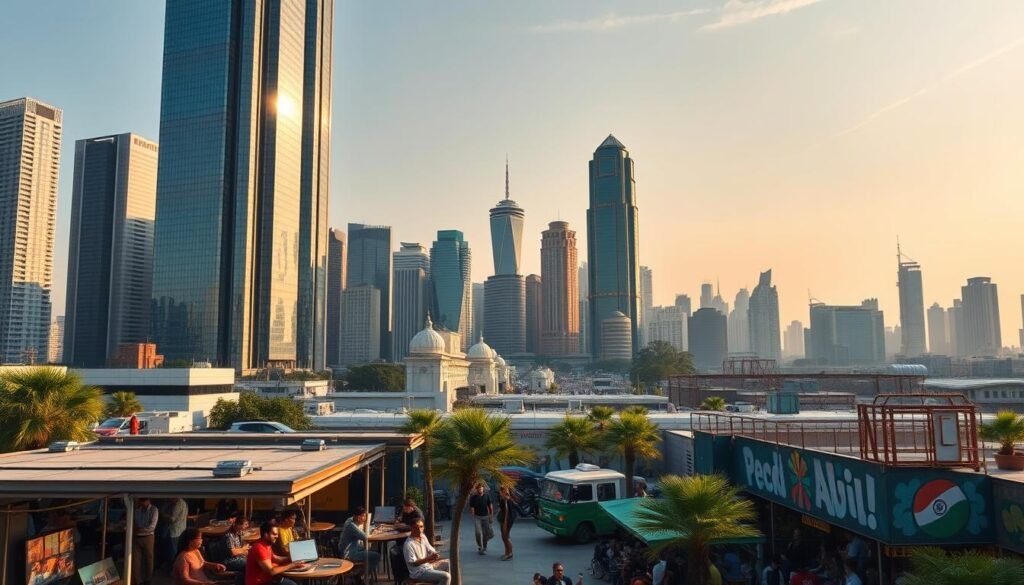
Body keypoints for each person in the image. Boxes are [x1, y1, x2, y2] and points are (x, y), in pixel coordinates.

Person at [403, 517, 450, 585]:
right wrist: (428, 559)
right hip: (418, 573)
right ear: (412, 528)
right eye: (416, 527)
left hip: (428, 566)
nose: (419, 530)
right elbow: (413, 563)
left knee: (448, 563)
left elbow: (431, 549)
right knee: (446, 576)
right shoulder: (409, 544)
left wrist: (435, 555)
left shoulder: (423, 537)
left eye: (421, 527)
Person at [338, 507, 380, 575]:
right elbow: (365, 536)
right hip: (348, 554)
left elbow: (362, 532)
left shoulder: (350, 520)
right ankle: (360, 575)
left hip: (351, 548)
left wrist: (372, 528)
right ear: (357, 517)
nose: (364, 518)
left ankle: (358, 573)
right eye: (362, 516)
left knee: (369, 548)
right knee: (376, 556)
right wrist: (372, 530)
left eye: (364, 516)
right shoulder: (351, 526)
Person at [134, 497, 159, 585]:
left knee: (149, 559)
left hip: (148, 537)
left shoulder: (154, 510)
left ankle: (148, 579)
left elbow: (152, 527)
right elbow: (136, 523)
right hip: (137, 537)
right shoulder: (138, 511)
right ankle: (138, 581)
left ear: (148, 500)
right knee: (136, 560)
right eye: (141, 501)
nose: (142, 503)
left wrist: (140, 529)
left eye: (144, 501)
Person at [161, 498, 189, 570]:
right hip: (180, 530)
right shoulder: (183, 503)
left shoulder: (178, 504)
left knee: (173, 551)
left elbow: (172, 519)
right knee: (176, 550)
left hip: (175, 531)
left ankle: (174, 569)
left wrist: (163, 514)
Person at [468, 482, 493, 555]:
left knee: (486, 533)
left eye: (481, 488)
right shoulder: (473, 497)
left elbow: (490, 506)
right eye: (479, 488)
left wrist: (491, 516)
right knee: (478, 532)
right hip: (477, 517)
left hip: (485, 516)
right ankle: (480, 546)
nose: (480, 490)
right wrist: (473, 516)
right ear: (476, 489)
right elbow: (472, 508)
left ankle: (484, 547)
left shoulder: (487, 496)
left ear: (483, 489)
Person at [497, 486, 515, 561]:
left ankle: (510, 553)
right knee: (503, 537)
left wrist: (505, 524)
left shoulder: (506, 500)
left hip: (507, 520)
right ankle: (506, 552)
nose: (500, 493)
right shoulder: (502, 499)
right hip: (503, 520)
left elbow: (507, 512)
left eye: (501, 492)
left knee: (506, 537)